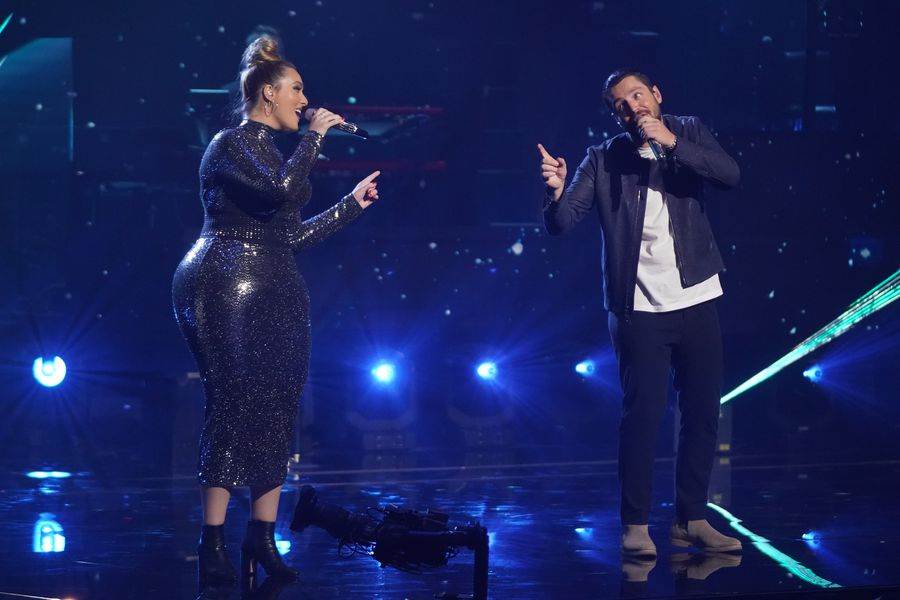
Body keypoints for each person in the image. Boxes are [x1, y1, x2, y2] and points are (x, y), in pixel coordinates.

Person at [172, 35, 381, 587]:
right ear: (268, 92)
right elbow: (279, 191)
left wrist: (350, 207)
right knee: (233, 401)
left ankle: (261, 536)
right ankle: (212, 540)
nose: (305, 101)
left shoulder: (276, 152)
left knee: (278, 404)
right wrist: (314, 137)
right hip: (222, 281)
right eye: (297, 90)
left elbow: (290, 235)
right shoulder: (230, 144)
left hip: (275, 284)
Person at [537, 69, 742, 558]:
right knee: (643, 417)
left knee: (702, 414)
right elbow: (562, 223)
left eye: (638, 95)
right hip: (639, 307)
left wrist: (671, 142)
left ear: (656, 95)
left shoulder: (688, 130)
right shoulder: (602, 158)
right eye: (621, 105)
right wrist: (555, 190)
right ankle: (635, 524)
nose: (633, 107)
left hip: (696, 295)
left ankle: (691, 519)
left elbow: (729, 175)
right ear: (616, 116)